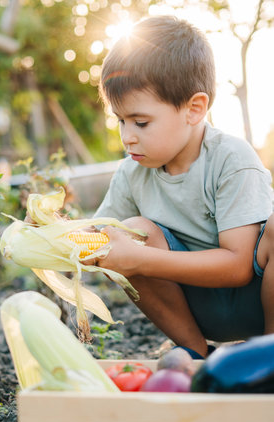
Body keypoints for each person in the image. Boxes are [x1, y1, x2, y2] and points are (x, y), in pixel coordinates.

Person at [92, 15, 274, 358]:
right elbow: (101, 235)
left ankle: (267, 356)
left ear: (194, 109)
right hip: (194, 308)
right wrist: (55, 233)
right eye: (120, 120)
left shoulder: (231, 158)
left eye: (141, 122)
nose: (127, 136)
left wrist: (140, 260)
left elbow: (238, 267)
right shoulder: (131, 172)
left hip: (258, 302)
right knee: (131, 231)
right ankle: (193, 353)